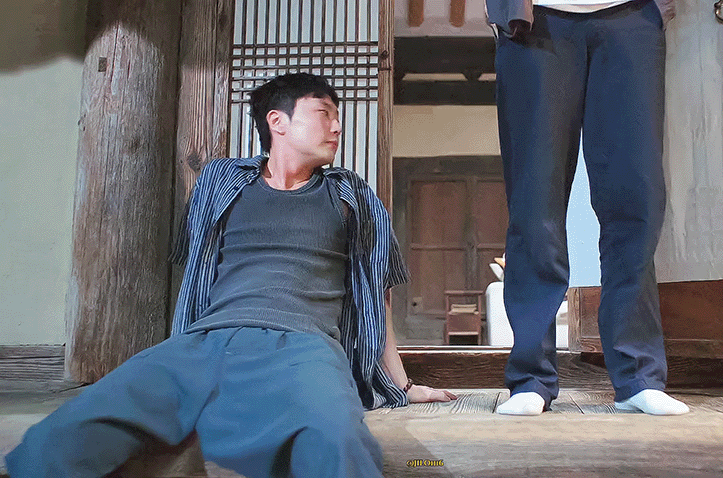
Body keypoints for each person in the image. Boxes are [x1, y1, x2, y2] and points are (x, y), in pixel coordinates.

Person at [5, 72, 456, 477]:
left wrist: (401, 385)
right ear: (278, 122)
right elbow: (196, 265)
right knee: (61, 435)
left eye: (337, 117)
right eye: (324, 113)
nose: (337, 126)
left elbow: (376, 292)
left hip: (304, 347)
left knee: (336, 441)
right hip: (203, 343)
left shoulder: (349, 195)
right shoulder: (222, 182)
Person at [485, 0, 690, 416]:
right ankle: (531, 377)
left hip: (631, 16)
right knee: (534, 203)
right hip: (537, 21)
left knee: (636, 198)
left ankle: (638, 375)